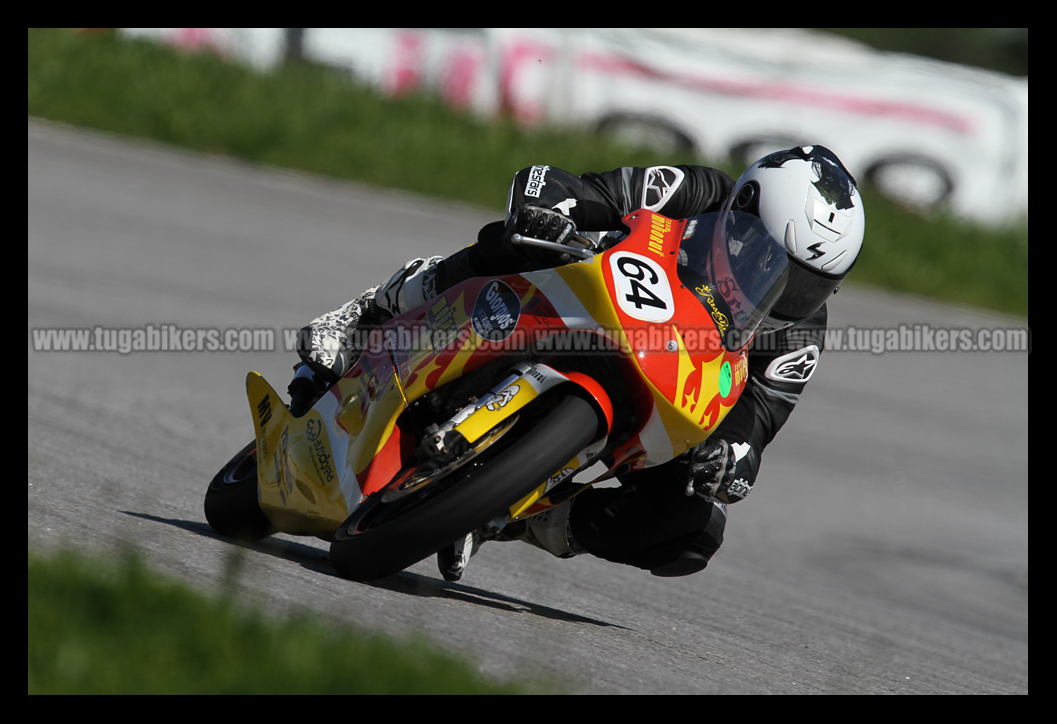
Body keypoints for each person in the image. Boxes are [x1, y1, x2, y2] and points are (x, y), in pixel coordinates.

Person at [289, 145, 865, 581]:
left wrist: (734, 456)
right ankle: (381, 306)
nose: (788, 297)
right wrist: (555, 207)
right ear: (740, 217)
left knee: (694, 526)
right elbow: (590, 191)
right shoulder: (697, 192)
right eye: (775, 265)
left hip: (671, 384)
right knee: (518, 239)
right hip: (591, 295)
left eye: (810, 287)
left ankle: (531, 514)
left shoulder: (798, 333)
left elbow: (760, 414)